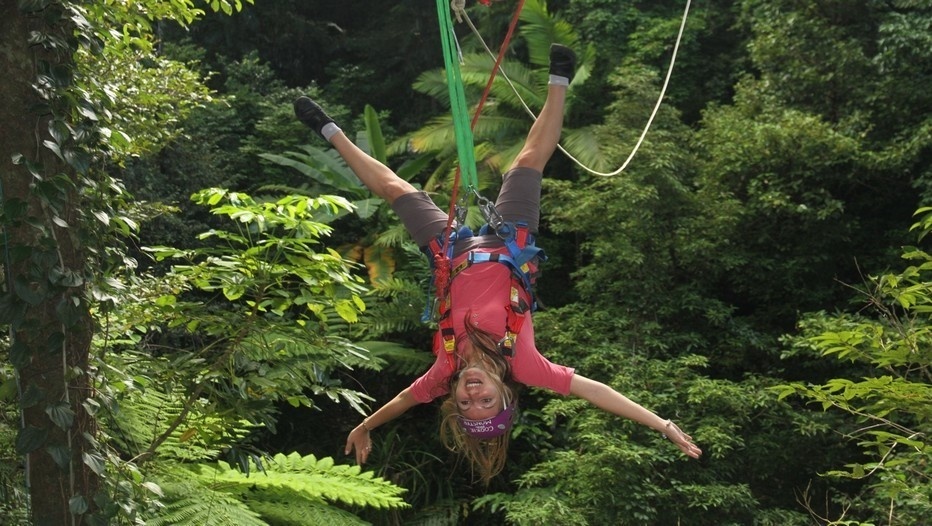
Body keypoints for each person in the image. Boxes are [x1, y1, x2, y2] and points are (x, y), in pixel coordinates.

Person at [294, 44, 702, 484]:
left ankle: (328, 129)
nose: (472, 396)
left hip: (449, 252)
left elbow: (403, 402)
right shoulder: (526, 365)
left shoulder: (444, 372)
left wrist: (364, 425)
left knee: (396, 189)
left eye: (467, 405)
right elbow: (597, 392)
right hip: (511, 245)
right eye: (486, 402)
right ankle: (560, 79)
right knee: (526, 162)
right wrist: (662, 424)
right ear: (505, 395)